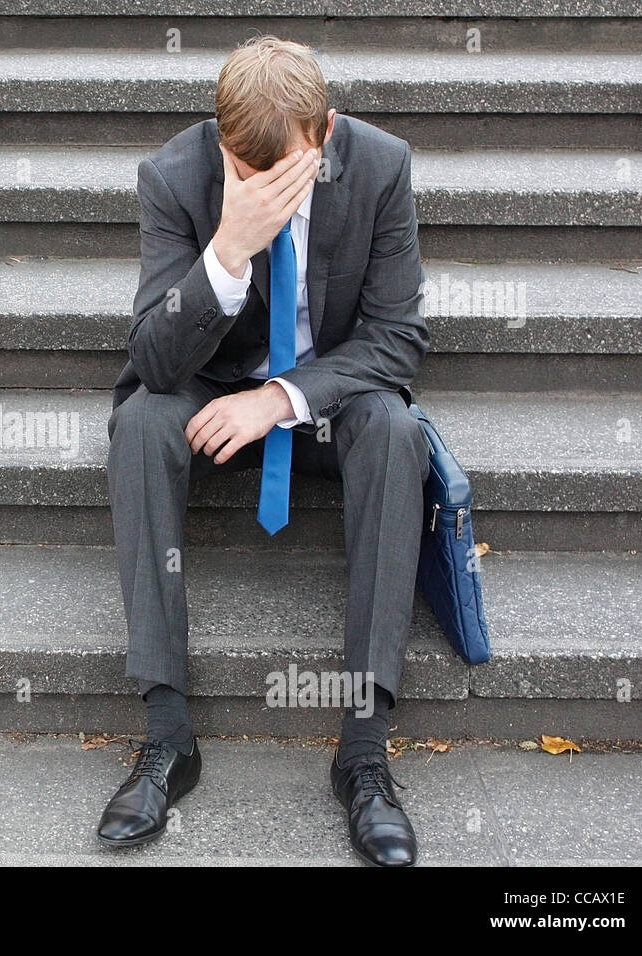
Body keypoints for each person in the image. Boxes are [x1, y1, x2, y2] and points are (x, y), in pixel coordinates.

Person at [98, 35, 432, 867]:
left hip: (324, 398)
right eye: (243, 170)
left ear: (324, 133)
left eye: (279, 171)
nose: (260, 186)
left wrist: (279, 398)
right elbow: (153, 359)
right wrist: (227, 250)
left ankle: (364, 753)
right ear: (221, 145)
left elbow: (397, 341)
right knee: (141, 421)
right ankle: (168, 736)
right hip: (209, 391)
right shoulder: (175, 177)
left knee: (395, 430)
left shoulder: (382, 167)